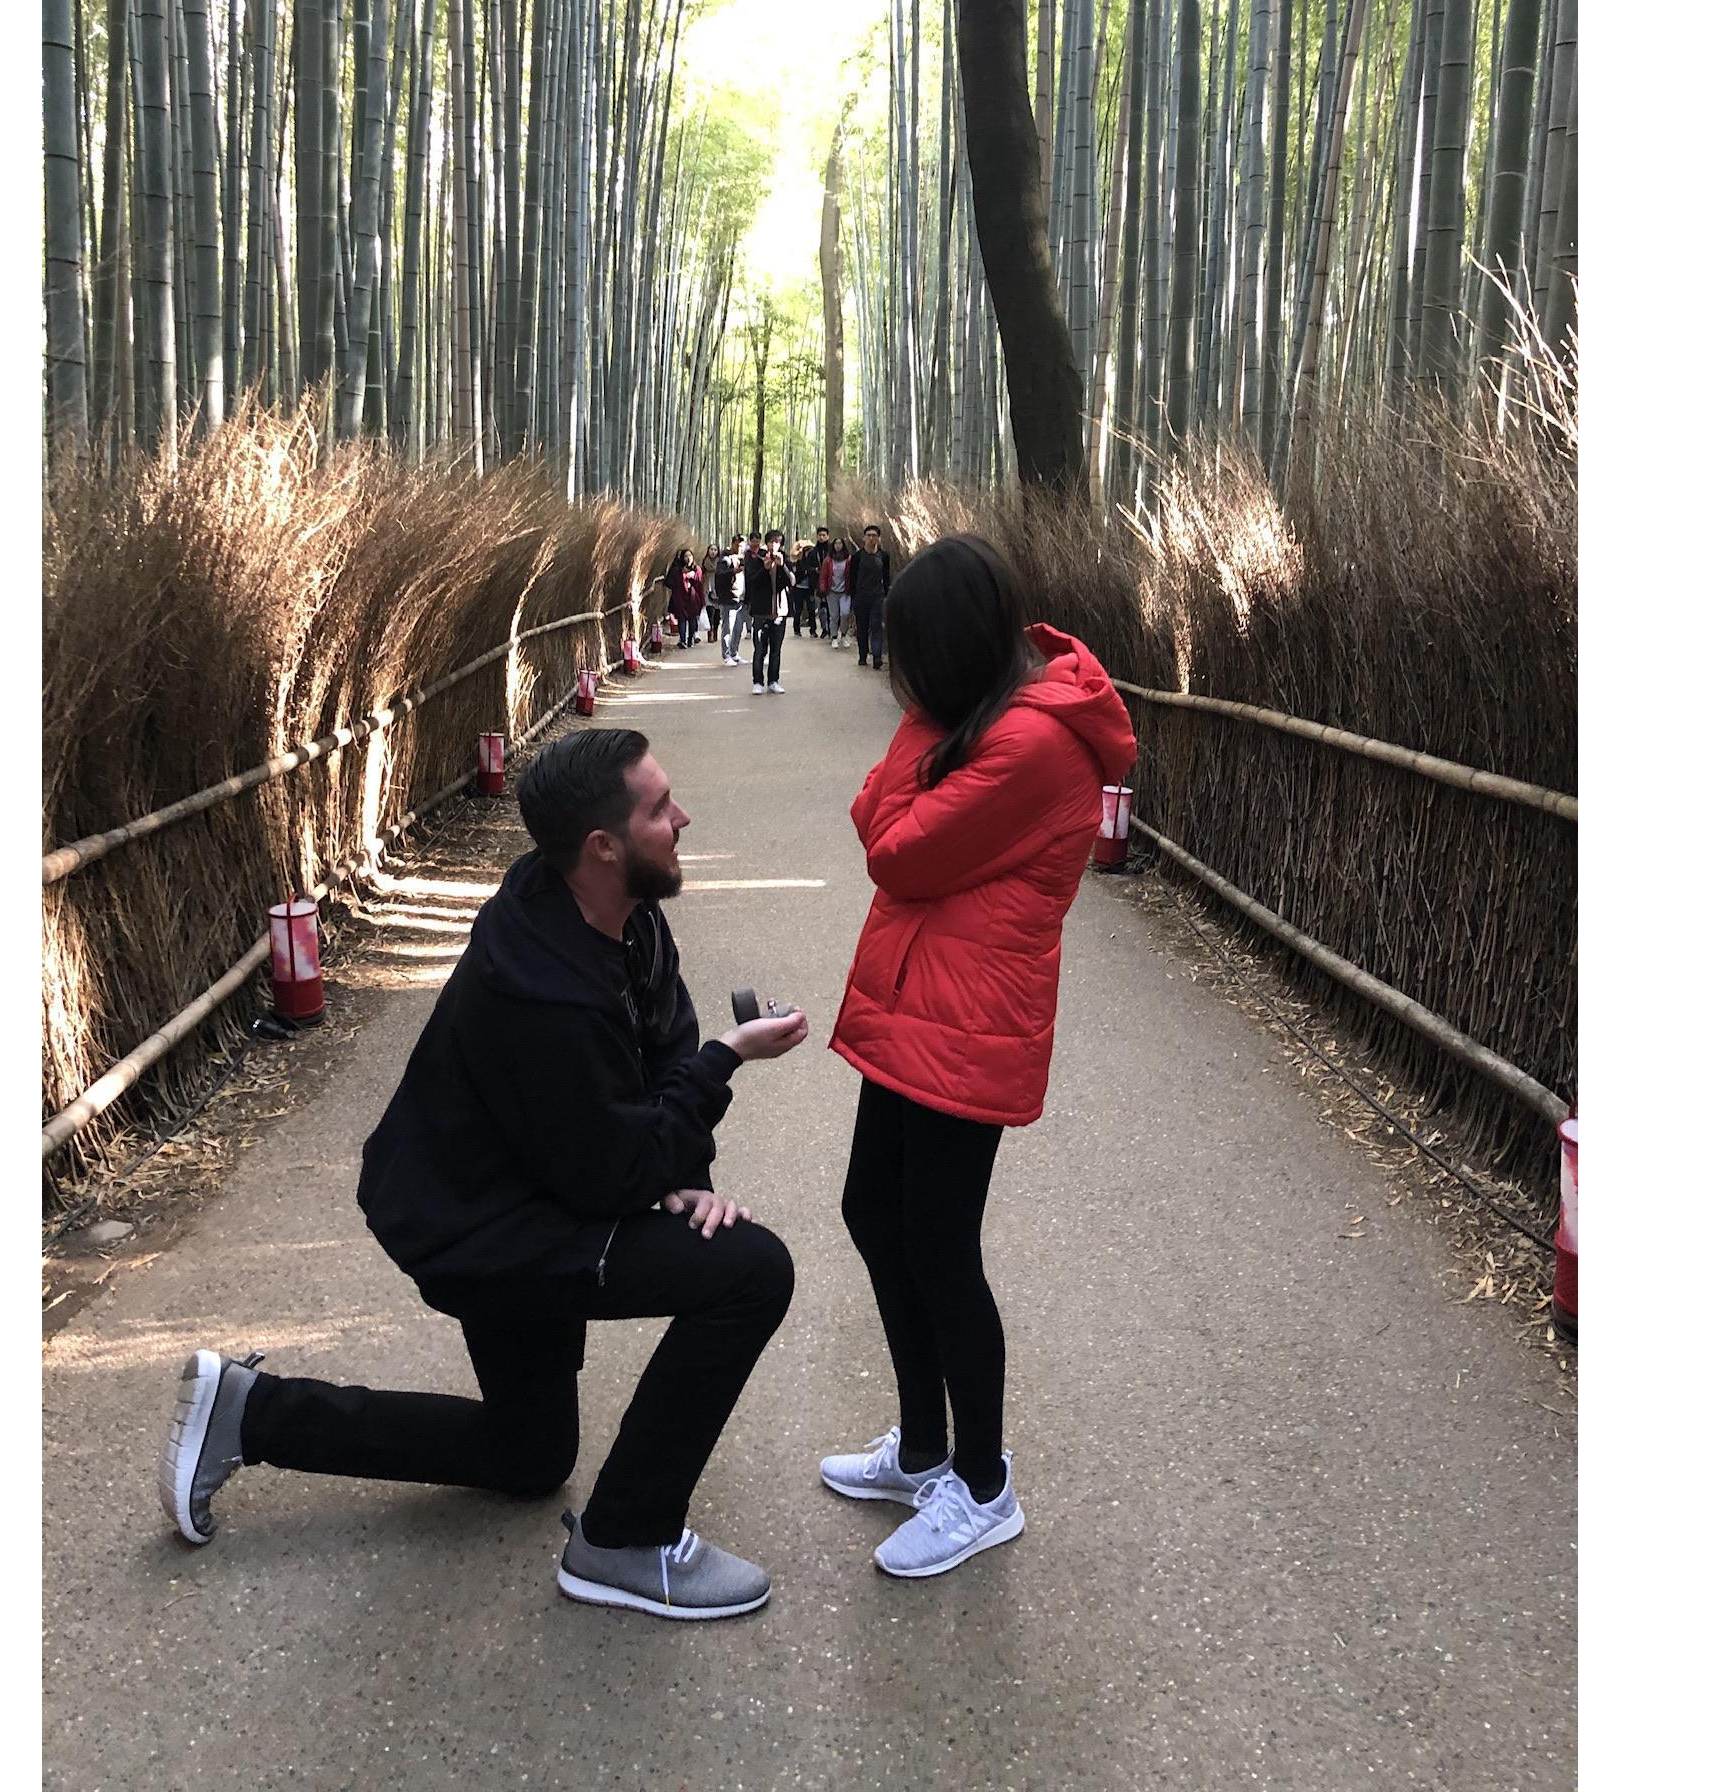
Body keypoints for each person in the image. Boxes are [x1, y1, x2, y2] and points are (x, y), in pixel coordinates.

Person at [159, 728, 811, 1621]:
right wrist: (725, 1061)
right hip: (479, 1229)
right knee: (750, 1272)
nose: (683, 817)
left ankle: (252, 1413)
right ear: (602, 848)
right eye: (660, 808)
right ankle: (624, 1540)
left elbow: (663, 1039)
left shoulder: (624, 912)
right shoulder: (537, 992)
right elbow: (610, 1174)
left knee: (529, 1458)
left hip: (528, 1191)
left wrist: (686, 1169)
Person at [821, 534, 1137, 1578]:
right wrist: (911, 765)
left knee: (939, 1243)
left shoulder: (1030, 742)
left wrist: (910, 745)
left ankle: (984, 1480)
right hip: (919, 1002)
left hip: (969, 1020)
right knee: (874, 1210)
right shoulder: (986, 715)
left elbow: (891, 845)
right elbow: (887, 821)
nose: (901, 677)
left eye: (913, 659)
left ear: (948, 655)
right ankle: (921, 1449)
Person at [743, 529, 793, 695]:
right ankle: (757, 682)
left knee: (776, 649)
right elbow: (751, 582)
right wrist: (764, 568)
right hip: (760, 611)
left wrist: (782, 566)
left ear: (781, 544)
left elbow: (792, 581)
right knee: (759, 649)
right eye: (771, 542)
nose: (774, 545)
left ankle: (773, 681)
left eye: (777, 542)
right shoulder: (757, 559)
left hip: (779, 612)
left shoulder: (785, 559)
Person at [850, 523, 891, 671]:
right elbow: (852, 577)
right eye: (869, 535)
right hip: (861, 596)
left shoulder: (884, 556)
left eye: (874, 536)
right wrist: (853, 597)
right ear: (864, 538)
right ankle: (862, 655)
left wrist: (886, 594)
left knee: (876, 626)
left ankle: (877, 657)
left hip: (877, 596)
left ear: (879, 538)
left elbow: (886, 577)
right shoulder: (857, 557)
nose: (871, 538)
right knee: (862, 627)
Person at [715, 536, 748, 667]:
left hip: (741, 597)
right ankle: (726, 654)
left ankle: (734, 653)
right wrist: (733, 571)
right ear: (733, 544)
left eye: (742, 546)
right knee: (728, 627)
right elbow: (719, 574)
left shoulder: (744, 558)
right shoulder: (725, 558)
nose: (739, 548)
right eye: (737, 545)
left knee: (738, 628)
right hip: (729, 597)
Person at [668, 547, 708, 649]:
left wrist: (702, 601)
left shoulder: (697, 569)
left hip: (693, 598)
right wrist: (684, 575)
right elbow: (674, 582)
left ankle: (691, 639)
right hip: (680, 598)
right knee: (681, 619)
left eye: (690, 555)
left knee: (692, 619)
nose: (688, 558)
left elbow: (699, 585)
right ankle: (682, 640)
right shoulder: (677, 570)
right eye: (686, 556)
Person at [820, 539, 852, 647]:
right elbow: (823, 576)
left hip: (845, 591)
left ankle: (843, 635)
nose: (838, 546)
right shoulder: (828, 560)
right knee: (834, 616)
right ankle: (834, 637)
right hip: (832, 592)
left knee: (845, 613)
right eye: (836, 544)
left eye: (840, 543)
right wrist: (823, 588)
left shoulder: (848, 559)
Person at [790, 542, 821, 637]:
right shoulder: (798, 563)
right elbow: (797, 574)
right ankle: (796, 630)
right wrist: (808, 571)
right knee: (798, 610)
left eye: (810, 551)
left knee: (811, 610)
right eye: (806, 551)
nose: (808, 553)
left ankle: (813, 631)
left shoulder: (815, 563)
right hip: (799, 588)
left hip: (809, 589)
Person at [700, 544, 722, 642]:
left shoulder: (721, 563)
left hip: (718, 588)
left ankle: (716, 630)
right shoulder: (705, 562)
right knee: (710, 611)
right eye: (711, 549)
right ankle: (710, 632)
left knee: (717, 613)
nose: (713, 551)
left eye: (715, 550)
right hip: (707, 587)